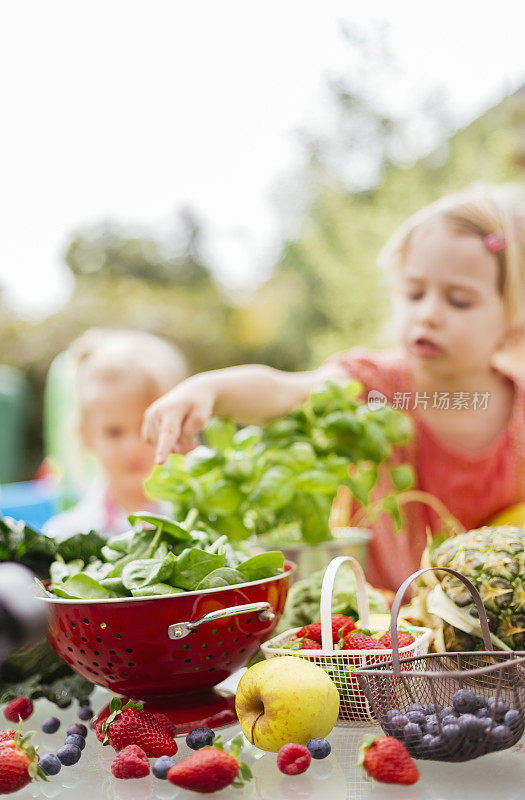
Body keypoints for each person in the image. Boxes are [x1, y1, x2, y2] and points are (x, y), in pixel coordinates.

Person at [141, 184, 525, 592]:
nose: (427, 314)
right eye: (414, 293)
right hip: (369, 632)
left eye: (459, 301)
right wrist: (209, 390)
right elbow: (280, 391)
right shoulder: (373, 386)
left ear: (513, 314)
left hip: (492, 644)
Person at [43, 329, 187, 539]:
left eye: (148, 428)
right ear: (85, 434)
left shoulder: (202, 521)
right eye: (114, 432)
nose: (132, 446)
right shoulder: (65, 535)